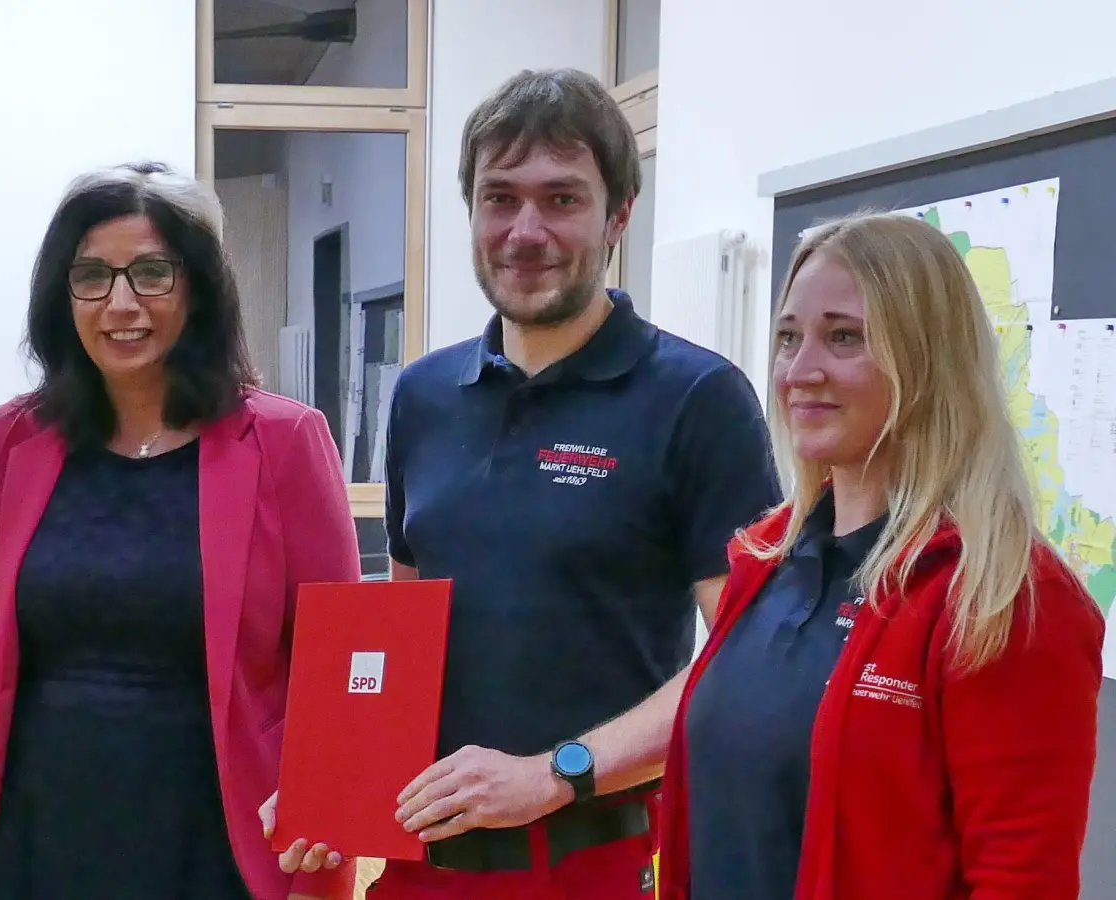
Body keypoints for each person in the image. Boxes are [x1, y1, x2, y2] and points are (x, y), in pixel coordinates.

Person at [264, 68, 782, 899]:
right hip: (420, 860)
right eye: (500, 198)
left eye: (562, 199)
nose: (525, 230)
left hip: (597, 861)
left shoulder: (696, 398)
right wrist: (335, 777)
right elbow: (403, 636)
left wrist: (556, 772)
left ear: (619, 214)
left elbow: (743, 658)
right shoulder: (425, 396)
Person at [0, 161, 361, 900]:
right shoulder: (17, 439)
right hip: (36, 842)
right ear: (64, 295)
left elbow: (344, 663)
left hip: (218, 850)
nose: (121, 302)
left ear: (198, 287)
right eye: (91, 275)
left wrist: (327, 802)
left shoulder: (283, 441)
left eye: (152, 272)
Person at [655, 212, 1106, 900]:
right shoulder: (765, 558)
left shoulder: (1005, 596)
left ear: (927, 359)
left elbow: (1023, 881)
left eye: (844, 337)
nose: (799, 370)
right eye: (787, 337)